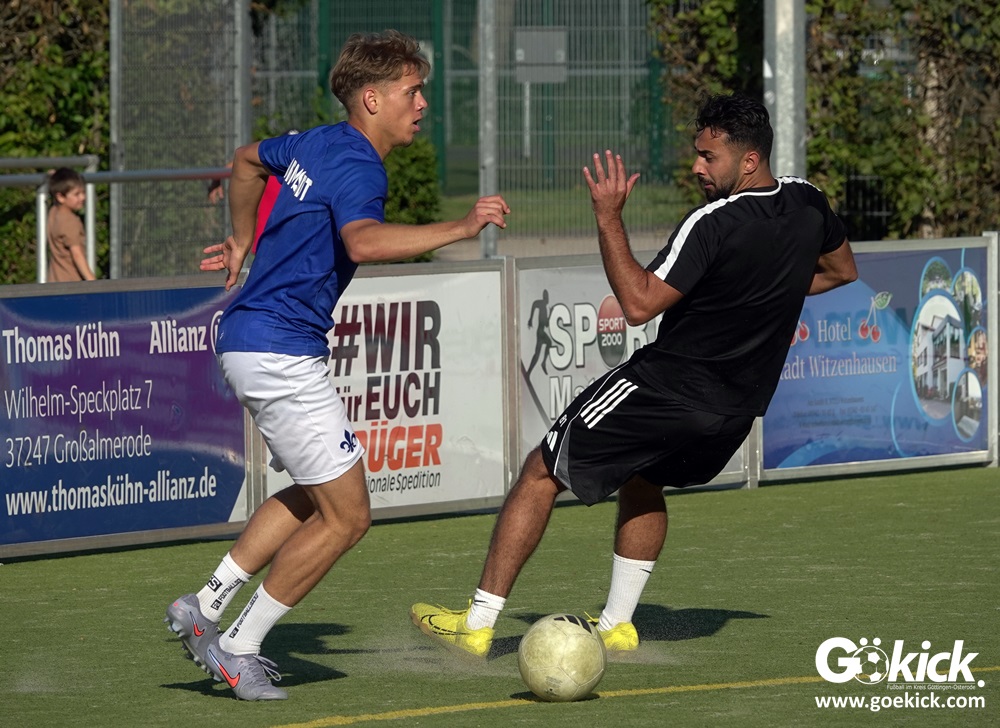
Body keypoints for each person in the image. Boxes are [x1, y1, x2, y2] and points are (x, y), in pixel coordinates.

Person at [410, 93, 858, 658]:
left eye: (709, 157)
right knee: (644, 479)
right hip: (736, 411)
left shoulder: (712, 222)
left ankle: (476, 625)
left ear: (749, 161)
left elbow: (639, 304)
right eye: (697, 153)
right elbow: (842, 270)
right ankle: (617, 625)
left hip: (667, 389)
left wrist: (608, 216)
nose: (696, 167)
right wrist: (765, 295)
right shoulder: (808, 201)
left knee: (541, 471)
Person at [164, 30, 509, 701]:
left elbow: (244, 161)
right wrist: (462, 228)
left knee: (313, 493)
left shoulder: (316, 142)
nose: (422, 104)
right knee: (349, 518)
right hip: (279, 352)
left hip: (252, 340)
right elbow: (364, 241)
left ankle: (204, 604)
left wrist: (242, 240)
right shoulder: (359, 166)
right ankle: (238, 647)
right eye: (413, 92)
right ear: (372, 99)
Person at [46, 167, 96, 282]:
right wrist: (92, 281)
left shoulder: (54, 212)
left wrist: (54, 177)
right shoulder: (70, 221)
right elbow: (77, 255)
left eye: (83, 192)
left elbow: (57, 194)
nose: (83, 197)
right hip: (72, 283)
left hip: (55, 281)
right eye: (77, 194)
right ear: (60, 197)